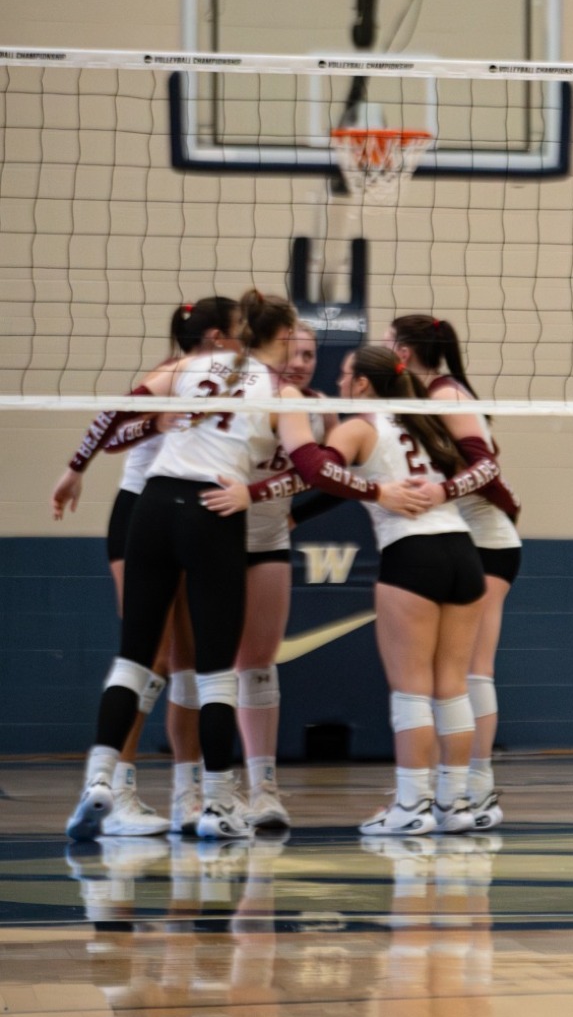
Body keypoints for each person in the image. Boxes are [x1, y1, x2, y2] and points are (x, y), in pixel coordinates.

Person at [68, 291, 431, 841]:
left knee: (139, 658)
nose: (305, 359)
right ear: (281, 336)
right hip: (213, 514)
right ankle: (209, 800)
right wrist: (376, 490)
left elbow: (111, 417)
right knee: (209, 669)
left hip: (164, 508)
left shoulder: (189, 367)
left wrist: (73, 469)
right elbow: (315, 468)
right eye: (298, 343)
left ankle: (104, 779)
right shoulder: (276, 392)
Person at [231, 346, 498, 834]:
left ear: (364, 385)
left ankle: (411, 808)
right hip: (462, 551)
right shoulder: (430, 420)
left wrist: (371, 487)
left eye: (346, 375)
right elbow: (482, 465)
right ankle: (454, 805)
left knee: (412, 690)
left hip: (411, 554)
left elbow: (316, 470)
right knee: (452, 688)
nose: (338, 380)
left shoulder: (360, 425)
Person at [51, 298, 236, 836]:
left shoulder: (230, 382)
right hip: (143, 512)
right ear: (219, 336)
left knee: (184, 660)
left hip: (182, 515)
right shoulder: (173, 375)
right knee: (150, 655)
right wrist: (76, 469)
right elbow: (112, 426)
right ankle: (113, 787)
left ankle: (185, 793)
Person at [391, 314, 524, 831]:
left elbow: (486, 467)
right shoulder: (427, 396)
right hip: (465, 541)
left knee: (472, 669)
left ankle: (477, 788)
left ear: (403, 351)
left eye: (388, 343)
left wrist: (441, 493)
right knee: (454, 673)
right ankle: (454, 788)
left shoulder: (447, 396)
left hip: (487, 543)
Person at [232, 321, 337, 829]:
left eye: (310, 355)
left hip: (269, 541)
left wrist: (296, 515)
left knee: (258, 662)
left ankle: (264, 787)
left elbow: (342, 475)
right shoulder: (240, 394)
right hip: (214, 538)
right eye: (292, 353)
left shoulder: (320, 409)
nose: (300, 363)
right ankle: (206, 786)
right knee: (201, 663)